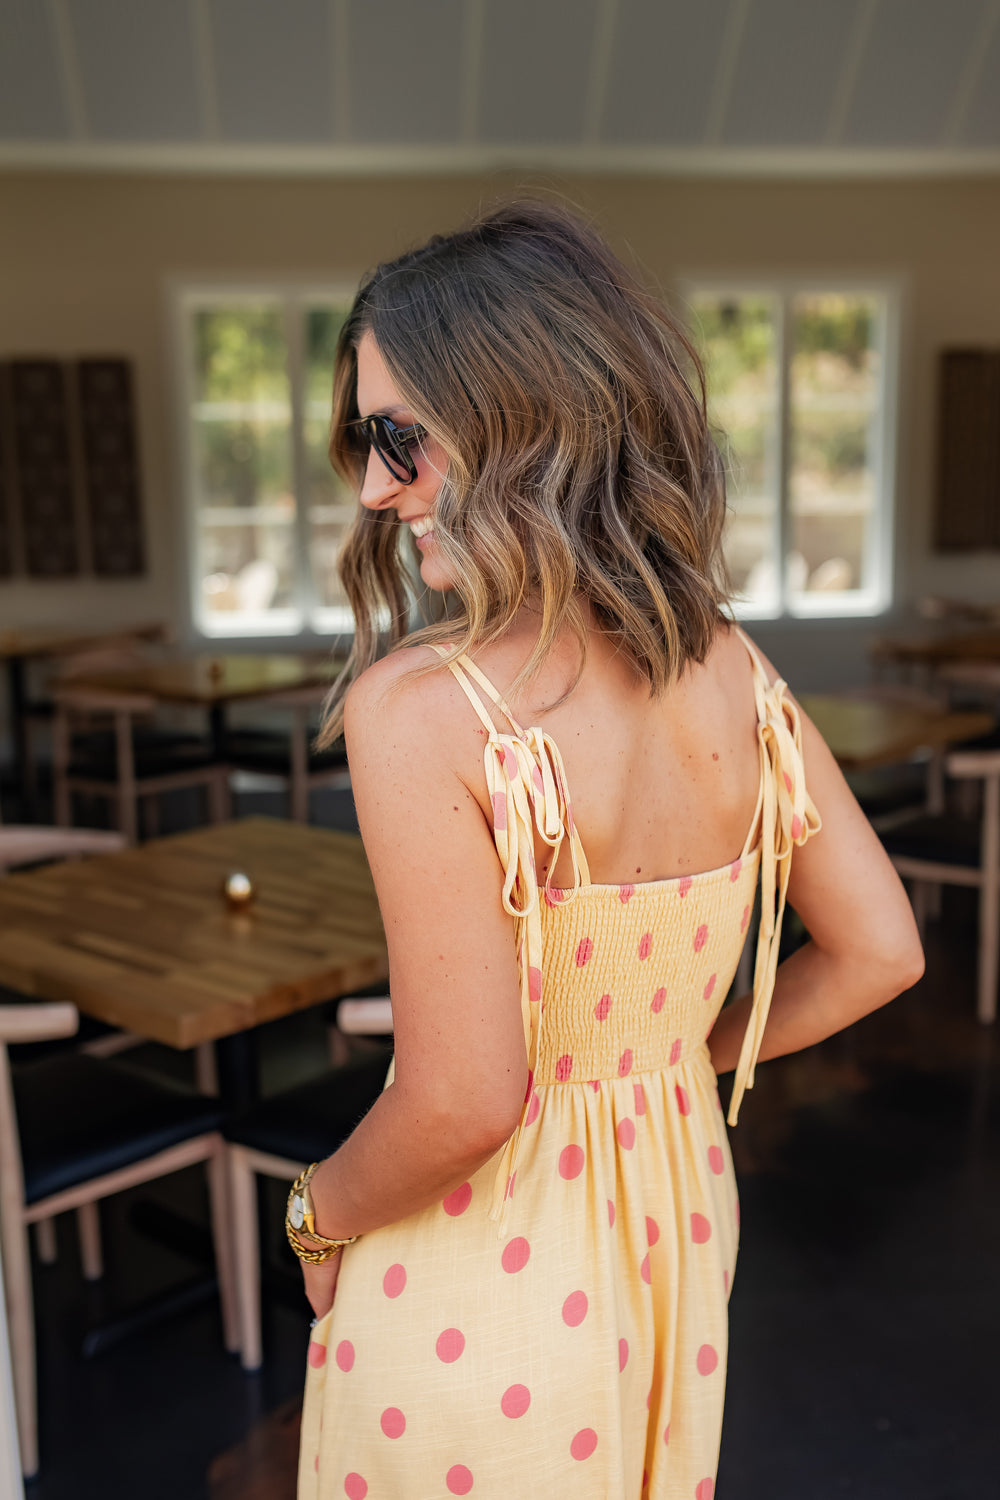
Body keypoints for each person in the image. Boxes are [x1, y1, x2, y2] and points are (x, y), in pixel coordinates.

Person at [288, 201, 923, 1499]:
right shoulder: (733, 671)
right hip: (673, 1240)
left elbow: (465, 1098)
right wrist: (655, 1059)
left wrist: (316, 1211)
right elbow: (881, 951)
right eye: (363, 441)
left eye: (398, 437)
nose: (371, 487)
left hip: (476, 1290)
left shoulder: (421, 712)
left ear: (531, 417)